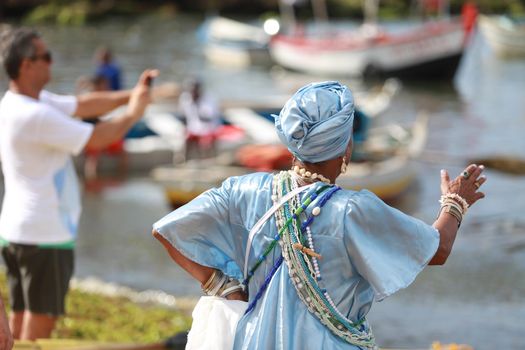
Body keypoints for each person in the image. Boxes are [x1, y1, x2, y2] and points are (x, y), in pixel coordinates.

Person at [152, 81, 486, 349]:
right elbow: (437, 248)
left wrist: (221, 285)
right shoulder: (352, 211)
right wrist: (454, 202)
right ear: (346, 150)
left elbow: (167, 229)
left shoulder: (244, 190)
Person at [0, 27, 157, 340]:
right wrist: (134, 112)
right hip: (46, 235)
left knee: (17, 323)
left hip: (17, 231)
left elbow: (85, 105)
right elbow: (99, 138)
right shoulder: (36, 115)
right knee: (39, 333)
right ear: (26, 65)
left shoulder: (18, 103)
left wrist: (132, 93)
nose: (51, 62)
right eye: (45, 56)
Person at [178, 78, 221, 160]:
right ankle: (185, 162)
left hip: (209, 129)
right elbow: (184, 116)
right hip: (193, 128)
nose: (193, 92)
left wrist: (196, 105)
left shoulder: (209, 99)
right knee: (185, 141)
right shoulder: (185, 98)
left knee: (205, 143)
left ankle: (206, 162)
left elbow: (208, 118)